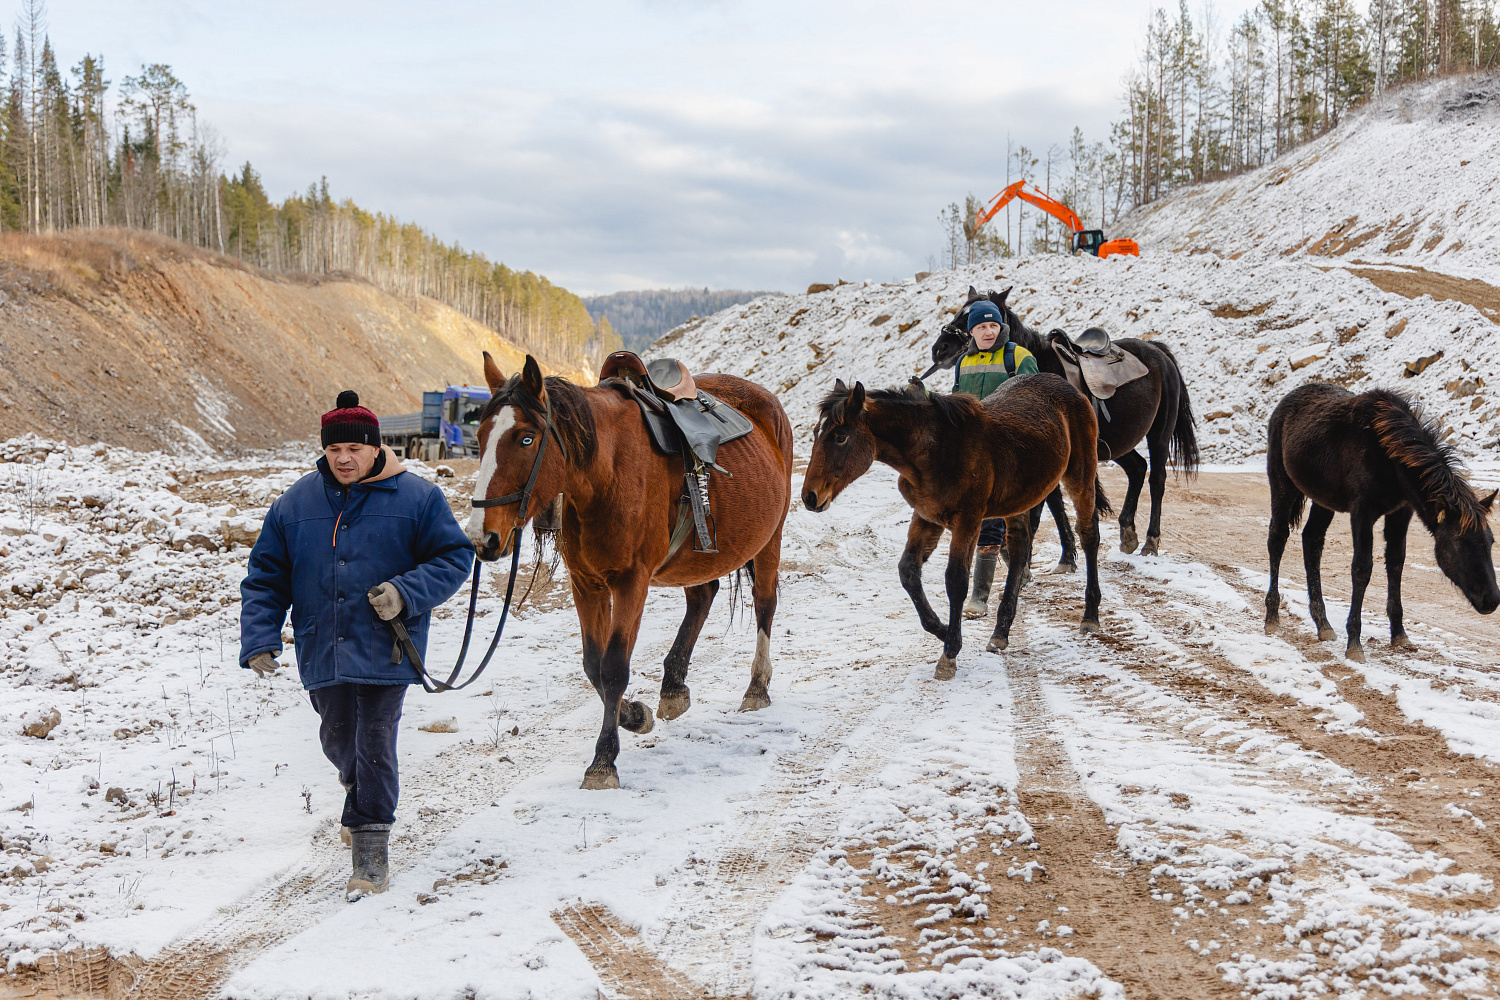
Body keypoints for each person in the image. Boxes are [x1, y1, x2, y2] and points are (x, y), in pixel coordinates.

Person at [239, 390, 474, 901]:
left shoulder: (417, 498)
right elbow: (265, 576)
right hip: (321, 647)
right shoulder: (295, 503)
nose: (343, 458)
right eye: (334, 449)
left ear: (375, 449)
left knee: (373, 742)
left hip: (388, 648)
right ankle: (361, 798)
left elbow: (455, 557)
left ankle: (370, 854)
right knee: (339, 739)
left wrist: (405, 592)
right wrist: (259, 636)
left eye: (354, 448)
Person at [952, 299, 1038, 618]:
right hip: (974, 453)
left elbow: (1035, 401)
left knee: (990, 519)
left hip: (1009, 452)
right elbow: (959, 402)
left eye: (994, 325)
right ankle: (1020, 568)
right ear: (971, 330)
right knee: (995, 517)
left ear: (1002, 326)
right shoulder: (964, 362)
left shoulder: (1018, 356)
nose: (989, 331)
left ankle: (979, 597)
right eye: (981, 326)